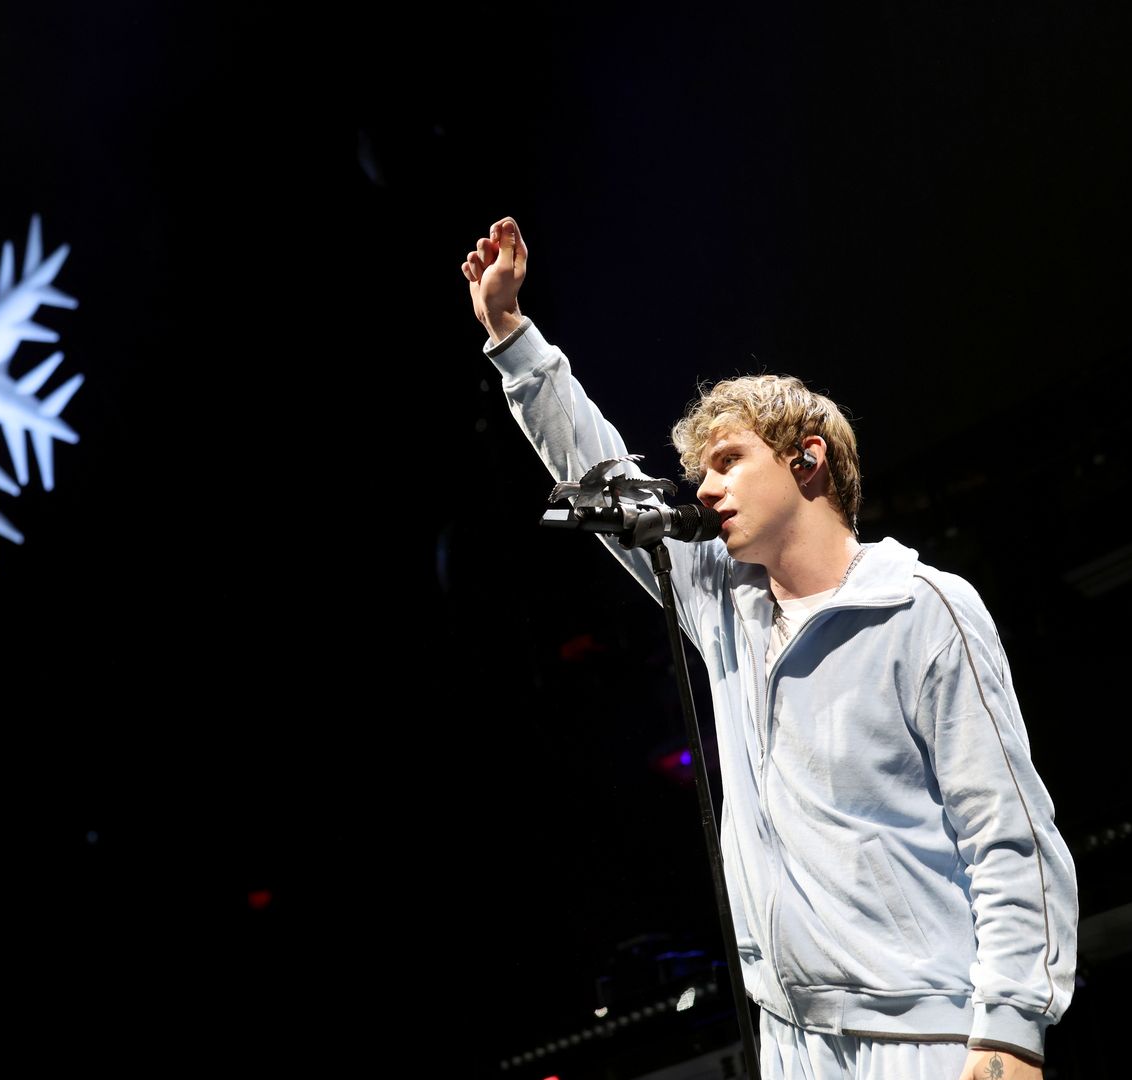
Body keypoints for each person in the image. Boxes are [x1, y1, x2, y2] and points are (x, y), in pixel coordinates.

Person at [461, 217, 1076, 1079]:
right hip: (792, 1042)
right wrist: (513, 339)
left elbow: (1008, 829)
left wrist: (1010, 1025)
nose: (703, 488)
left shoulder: (922, 607)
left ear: (807, 460)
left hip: (928, 1037)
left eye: (725, 461)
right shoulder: (725, 604)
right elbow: (602, 475)